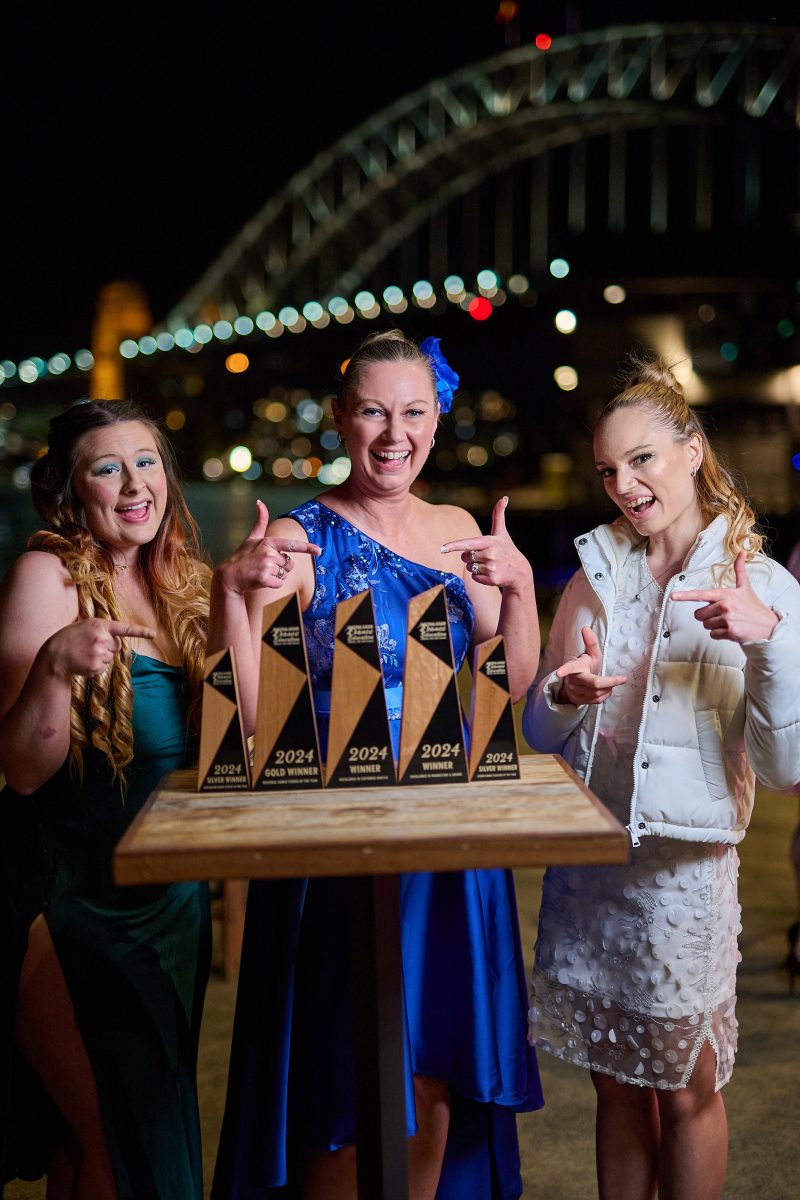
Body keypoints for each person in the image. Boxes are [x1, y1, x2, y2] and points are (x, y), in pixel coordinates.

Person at [209, 329, 544, 1199]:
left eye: (414, 413)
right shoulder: (302, 537)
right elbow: (249, 712)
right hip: (341, 840)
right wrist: (233, 595)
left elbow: (514, 679)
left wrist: (519, 590)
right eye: (372, 412)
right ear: (339, 418)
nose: (394, 434)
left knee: (436, 1065)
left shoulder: (460, 529)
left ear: (437, 421)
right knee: (340, 1071)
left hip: (447, 836)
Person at [522, 356, 800, 1200]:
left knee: (684, 1088)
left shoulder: (760, 582)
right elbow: (539, 731)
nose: (623, 485)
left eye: (641, 459)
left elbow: (790, 771)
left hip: (682, 875)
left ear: (691, 450)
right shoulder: (595, 574)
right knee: (614, 1080)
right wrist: (562, 693)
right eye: (609, 469)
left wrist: (772, 640)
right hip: (590, 865)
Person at [0, 399, 213, 1199]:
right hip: (75, 906)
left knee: (101, 1144)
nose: (135, 484)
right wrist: (54, 668)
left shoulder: (187, 584)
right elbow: (21, 772)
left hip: (173, 906)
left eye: (147, 461)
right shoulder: (45, 576)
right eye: (107, 467)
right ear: (68, 492)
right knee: (115, 1148)